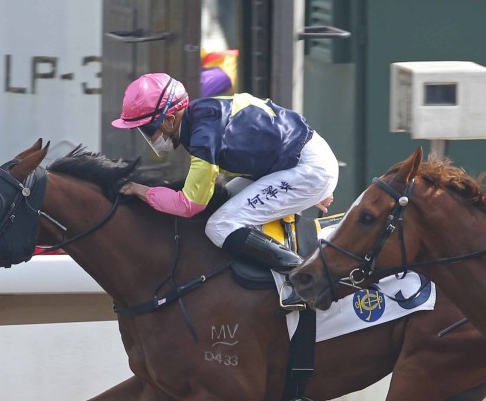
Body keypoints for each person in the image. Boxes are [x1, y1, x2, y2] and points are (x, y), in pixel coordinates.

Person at [111, 72, 338, 309]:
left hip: (306, 167)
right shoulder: (200, 114)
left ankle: (304, 277)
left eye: (147, 130)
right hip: (300, 160)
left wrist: (142, 191)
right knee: (223, 205)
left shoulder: (202, 136)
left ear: (169, 120)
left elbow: (189, 204)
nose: (148, 138)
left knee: (220, 226)